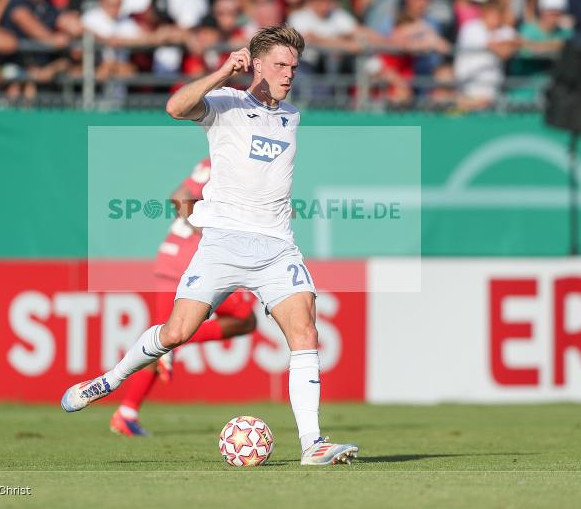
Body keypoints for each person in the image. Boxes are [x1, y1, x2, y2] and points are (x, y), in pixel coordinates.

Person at [62, 25, 359, 466]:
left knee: (305, 335)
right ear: (255, 64)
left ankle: (312, 443)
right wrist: (222, 71)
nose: (289, 72)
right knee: (177, 333)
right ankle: (111, 379)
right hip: (221, 244)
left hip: (278, 247)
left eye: (293, 66)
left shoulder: (291, 115)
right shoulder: (227, 104)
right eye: (280, 64)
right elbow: (175, 107)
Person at [110, 158, 258, 436]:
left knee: (162, 337)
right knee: (242, 319)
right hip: (190, 259)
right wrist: (210, 234)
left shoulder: (227, 156)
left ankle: (127, 412)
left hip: (173, 258)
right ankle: (170, 349)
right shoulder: (227, 159)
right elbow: (179, 196)